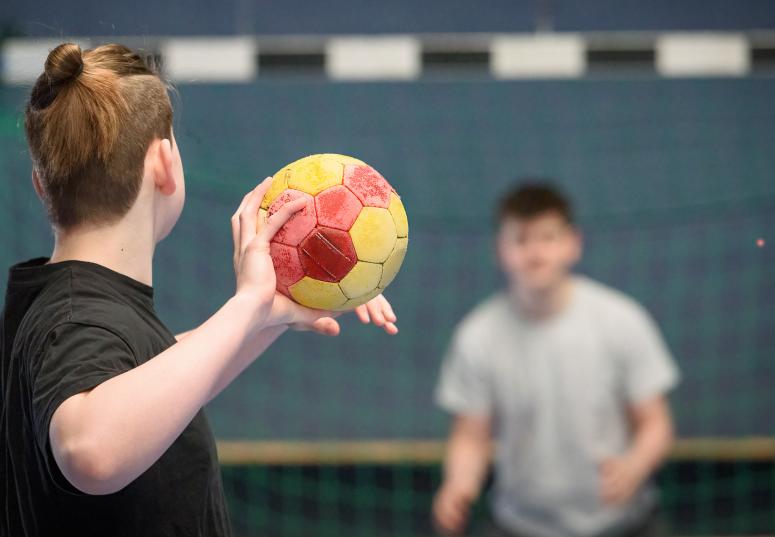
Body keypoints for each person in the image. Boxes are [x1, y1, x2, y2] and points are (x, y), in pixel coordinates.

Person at [0, 42, 397, 536]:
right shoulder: (78, 317)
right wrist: (247, 304)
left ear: (41, 185)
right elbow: (90, 451)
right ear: (165, 163)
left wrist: (264, 315)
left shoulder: (64, 304)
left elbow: (153, 377)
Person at [433, 182, 680, 537]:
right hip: (520, 524)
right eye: (520, 240)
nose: (535, 253)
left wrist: (635, 466)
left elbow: (656, 423)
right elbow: (471, 436)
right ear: (500, 250)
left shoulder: (622, 320)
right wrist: (458, 485)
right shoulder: (477, 336)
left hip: (625, 523)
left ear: (572, 243)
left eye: (548, 238)